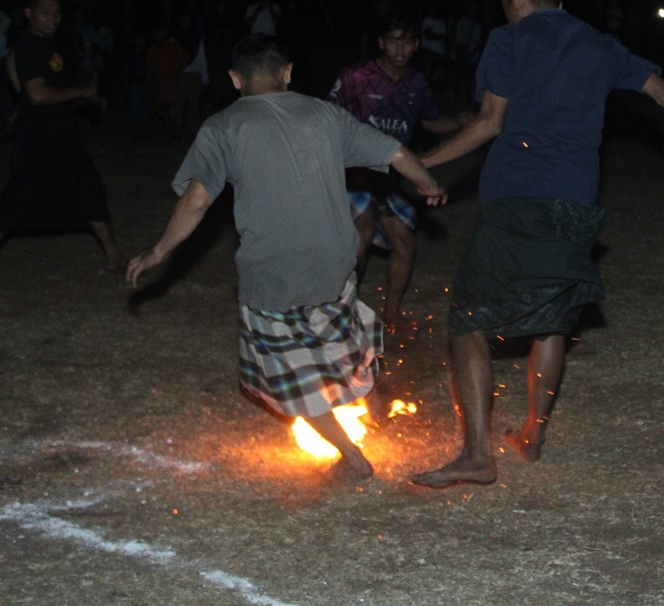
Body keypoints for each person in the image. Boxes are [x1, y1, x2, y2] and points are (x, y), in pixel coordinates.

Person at [411, 0, 664, 488]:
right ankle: (532, 433)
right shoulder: (598, 44)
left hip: (519, 196)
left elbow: (488, 122)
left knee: (468, 320)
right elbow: (663, 90)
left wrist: (420, 164)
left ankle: (478, 455)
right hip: (576, 200)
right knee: (552, 315)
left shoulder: (510, 39)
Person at [126, 34, 447, 480]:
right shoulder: (326, 115)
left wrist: (159, 250)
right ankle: (371, 401)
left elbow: (197, 201)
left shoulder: (222, 127)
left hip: (272, 274)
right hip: (335, 263)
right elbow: (394, 152)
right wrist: (429, 184)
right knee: (338, 333)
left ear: (236, 79)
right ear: (288, 72)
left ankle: (352, 459)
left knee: (292, 378)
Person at [328, 11, 471, 330]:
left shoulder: (416, 82)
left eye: (407, 42)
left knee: (404, 241)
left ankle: (391, 313)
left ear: (417, 45)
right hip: (356, 173)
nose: (400, 49)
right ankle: (343, 311)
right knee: (360, 238)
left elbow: (429, 121)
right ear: (381, 42)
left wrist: (460, 123)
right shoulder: (356, 76)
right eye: (394, 41)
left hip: (392, 175)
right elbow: (328, 118)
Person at [0, 0, 122, 272]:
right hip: (37, 138)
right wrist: (79, 92)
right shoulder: (29, 44)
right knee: (17, 199)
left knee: (88, 187)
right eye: (45, 12)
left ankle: (113, 253)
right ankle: (112, 252)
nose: (52, 18)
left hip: (62, 134)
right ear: (29, 13)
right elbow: (39, 95)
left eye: (56, 12)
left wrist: (20, 99)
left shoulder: (51, 43)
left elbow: (9, 62)